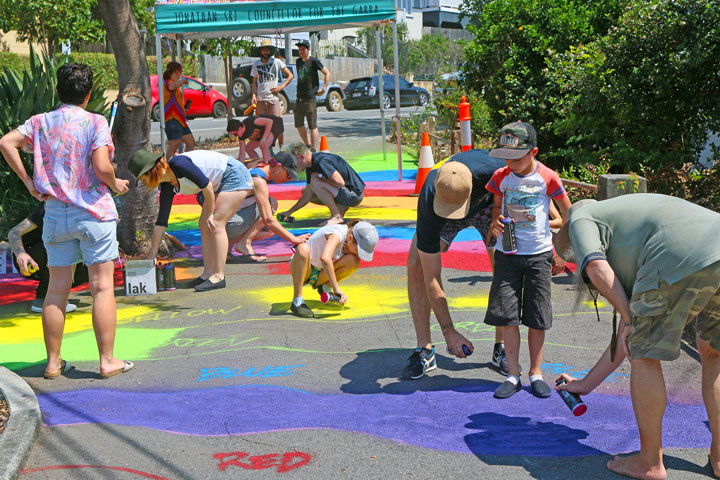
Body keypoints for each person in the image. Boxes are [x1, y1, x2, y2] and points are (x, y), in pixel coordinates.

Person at [553, 194, 720, 480]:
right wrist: (584, 384)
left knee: (643, 356)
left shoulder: (582, 219)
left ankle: (649, 463)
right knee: (714, 354)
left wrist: (630, 319)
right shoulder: (631, 223)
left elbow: (595, 266)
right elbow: (625, 336)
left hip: (678, 253)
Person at [0, 63, 133, 379]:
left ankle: (53, 363)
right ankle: (107, 361)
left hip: (55, 215)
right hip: (92, 213)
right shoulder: (95, 122)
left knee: (56, 291)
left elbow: (6, 142)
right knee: (101, 288)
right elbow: (102, 167)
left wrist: (31, 183)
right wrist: (116, 183)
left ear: (58, 91)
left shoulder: (41, 122)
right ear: (88, 95)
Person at [483, 121, 571, 400]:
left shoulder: (548, 177)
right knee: (507, 316)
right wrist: (495, 221)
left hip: (539, 255)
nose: (511, 162)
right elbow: (497, 206)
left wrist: (560, 253)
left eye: (517, 157)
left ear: (533, 151)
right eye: (506, 157)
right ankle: (512, 373)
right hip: (508, 254)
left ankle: (535, 373)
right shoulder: (501, 176)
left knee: (537, 317)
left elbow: (568, 215)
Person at [404, 149, 508, 380]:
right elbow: (431, 276)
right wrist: (448, 331)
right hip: (447, 202)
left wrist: (555, 226)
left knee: (504, 266)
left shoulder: (496, 169)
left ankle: (502, 347)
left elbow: (539, 174)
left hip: (492, 205)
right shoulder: (431, 195)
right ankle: (425, 349)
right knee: (416, 265)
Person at [129, 149, 253, 292]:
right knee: (203, 225)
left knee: (216, 223)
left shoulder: (179, 163)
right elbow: (161, 221)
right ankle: (207, 274)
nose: (144, 183)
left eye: (143, 178)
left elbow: (207, 186)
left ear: (152, 171)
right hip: (216, 183)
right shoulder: (167, 185)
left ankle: (219, 276)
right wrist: (152, 255)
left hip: (234, 174)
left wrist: (210, 214)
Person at [226, 151, 310, 262]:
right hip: (229, 225)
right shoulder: (259, 181)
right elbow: (268, 220)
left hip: (223, 222)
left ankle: (227, 250)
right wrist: (294, 239)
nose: (288, 179)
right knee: (271, 204)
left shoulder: (255, 170)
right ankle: (245, 243)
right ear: (278, 168)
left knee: (270, 230)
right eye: (288, 174)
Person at [289, 219, 379, 318]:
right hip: (303, 270)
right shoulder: (337, 234)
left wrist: (348, 252)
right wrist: (336, 288)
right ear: (350, 237)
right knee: (303, 249)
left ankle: (324, 287)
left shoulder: (348, 241)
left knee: (354, 260)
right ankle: (297, 301)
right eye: (358, 250)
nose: (358, 253)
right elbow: (325, 258)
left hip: (319, 273)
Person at [8, 204, 89, 313]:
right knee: (57, 246)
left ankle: (59, 294)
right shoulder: (50, 208)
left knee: (92, 263)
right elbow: (14, 232)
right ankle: (43, 298)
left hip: (58, 253)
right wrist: (21, 254)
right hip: (31, 256)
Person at [279, 143, 365, 226]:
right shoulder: (310, 166)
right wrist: (289, 212)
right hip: (345, 192)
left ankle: (336, 216)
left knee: (315, 182)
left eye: (294, 162)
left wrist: (320, 176)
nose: (294, 166)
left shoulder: (321, 161)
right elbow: (307, 195)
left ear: (301, 157)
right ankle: (341, 207)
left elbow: (340, 182)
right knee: (306, 191)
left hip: (354, 195)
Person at [251, 38, 293, 148]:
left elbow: (290, 75)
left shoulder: (276, 62)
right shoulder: (256, 64)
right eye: (263, 50)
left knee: (278, 124)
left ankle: (282, 147)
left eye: (267, 50)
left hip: (273, 99)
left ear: (270, 51)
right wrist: (254, 95)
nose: (265, 52)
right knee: (263, 126)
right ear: (261, 51)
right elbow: (254, 82)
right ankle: (268, 150)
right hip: (261, 99)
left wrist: (281, 87)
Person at [294, 39, 331, 152]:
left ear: (308, 49)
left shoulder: (314, 61)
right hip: (299, 98)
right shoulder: (298, 61)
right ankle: (308, 146)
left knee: (312, 125)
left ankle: (314, 149)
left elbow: (327, 73)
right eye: (300, 49)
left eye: (303, 49)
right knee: (299, 124)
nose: (301, 51)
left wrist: (324, 88)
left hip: (310, 98)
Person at [162, 61, 196, 160]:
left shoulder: (173, 83)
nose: (180, 73)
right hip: (172, 119)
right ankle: (167, 167)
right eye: (180, 71)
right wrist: (183, 82)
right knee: (173, 146)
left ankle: (184, 163)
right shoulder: (168, 83)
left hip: (180, 120)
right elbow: (173, 85)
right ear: (176, 71)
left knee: (191, 143)